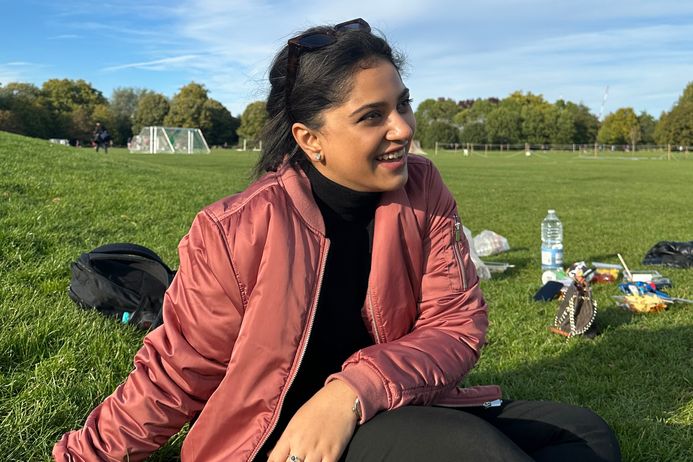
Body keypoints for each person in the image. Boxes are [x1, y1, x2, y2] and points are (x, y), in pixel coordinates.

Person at [54, 19, 621, 462]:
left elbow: (455, 326)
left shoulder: (423, 191)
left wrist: (350, 392)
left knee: (584, 436)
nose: (402, 128)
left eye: (402, 104)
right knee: (472, 453)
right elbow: (174, 377)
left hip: (373, 403)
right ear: (311, 139)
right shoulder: (233, 232)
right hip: (278, 441)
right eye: (373, 116)